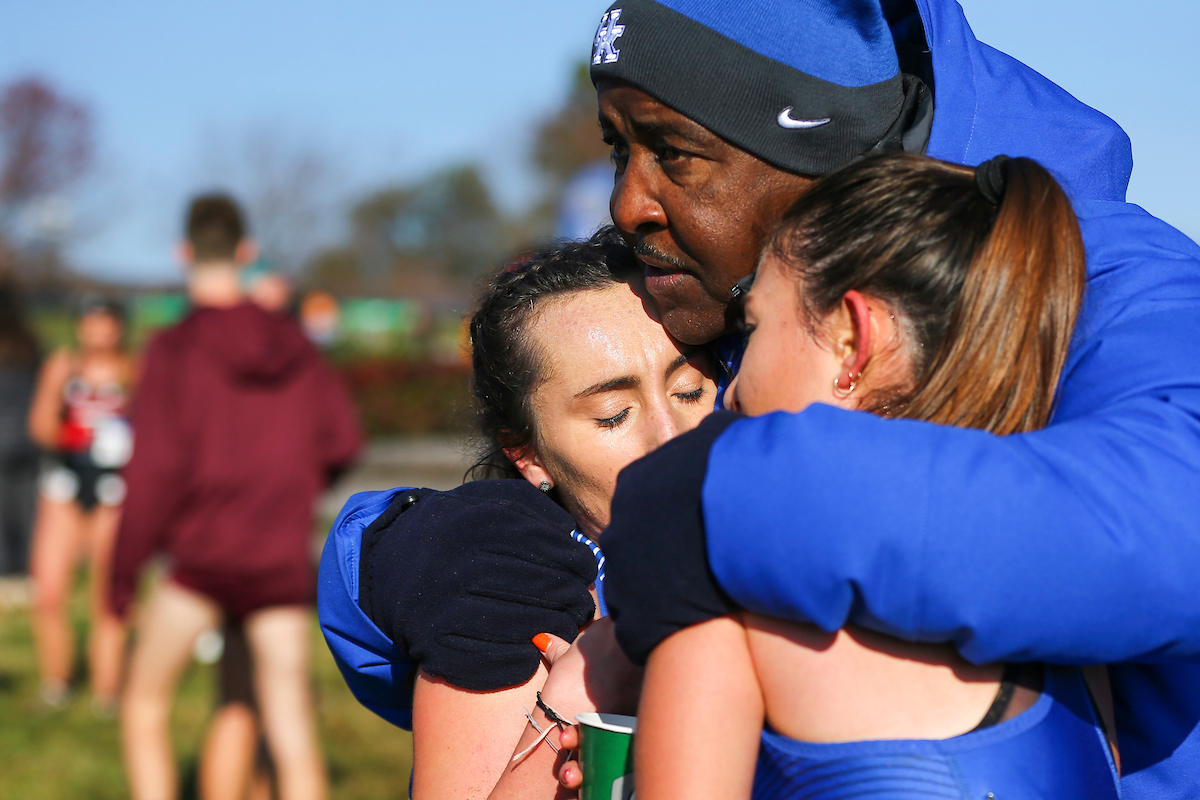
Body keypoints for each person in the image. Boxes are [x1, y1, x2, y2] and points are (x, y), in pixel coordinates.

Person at [535, 2, 1200, 796]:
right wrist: (405, 562)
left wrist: (733, 494)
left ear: (818, 145)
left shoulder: (1112, 283)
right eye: (620, 149)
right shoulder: (739, 293)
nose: (627, 204)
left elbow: (1171, 531)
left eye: (676, 152)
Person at [607, 152, 1119, 799]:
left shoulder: (733, 606)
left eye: (757, 326)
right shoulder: (1078, 633)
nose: (730, 393)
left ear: (852, 339)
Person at [318, 228, 715, 800]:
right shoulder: (508, 592)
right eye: (611, 415)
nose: (670, 436)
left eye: (690, 391)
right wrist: (579, 693)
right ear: (526, 454)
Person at [110, 193, 362, 800]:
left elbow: (154, 471)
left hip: (202, 561)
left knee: (142, 706)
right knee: (286, 724)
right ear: (247, 254)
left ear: (183, 253)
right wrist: (289, 487)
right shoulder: (297, 345)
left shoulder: (173, 349)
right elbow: (342, 440)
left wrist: (120, 577)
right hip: (277, 561)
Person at [26, 296, 133, 710]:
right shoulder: (63, 365)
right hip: (64, 485)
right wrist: (76, 436)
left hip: (114, 492)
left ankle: (107, 691)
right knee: (49, 590)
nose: (99, 331)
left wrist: (125, 438)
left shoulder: (133, 369)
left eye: (106, 322)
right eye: (91, 322)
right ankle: (56, 680)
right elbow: (39, 424)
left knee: (109, 594)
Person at [0, 276, 40, 596]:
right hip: (26, 444)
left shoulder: (27, 346)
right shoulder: (30, 345)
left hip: (19, 443)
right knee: (25, 511)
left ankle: (10, 572)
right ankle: (24, 573)